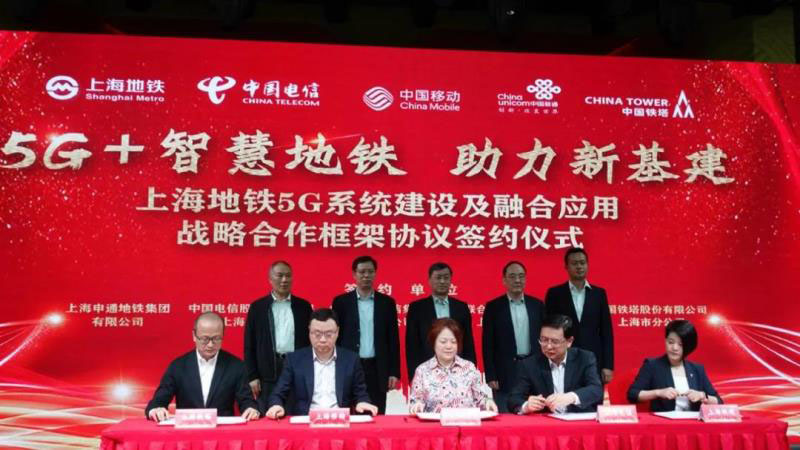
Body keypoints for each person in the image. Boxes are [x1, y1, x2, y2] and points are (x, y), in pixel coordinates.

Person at [264, 308, 378, 418]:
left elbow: (360, 393)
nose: (323, 339)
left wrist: (362, 402)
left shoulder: (351, 359)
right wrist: (276, 405)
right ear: (309, 331)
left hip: (339, 420)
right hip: (306, 421)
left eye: (328, 334)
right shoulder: (294, 360)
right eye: (317, 334)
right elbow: (278, 393)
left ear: (337, 332)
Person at [145, 312, 260, 421]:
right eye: (205, 339)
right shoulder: (178, 366)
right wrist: (156, 409)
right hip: (187, 430)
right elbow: (158, 402)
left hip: (222, 431)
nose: (210, 345)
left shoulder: (236, 366)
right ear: (194, 336)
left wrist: (250, 409)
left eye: (216, 338)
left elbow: (247, 401)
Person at [332, 255, 400, 414]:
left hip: (377, 367)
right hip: (349, 366)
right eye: (362, 272)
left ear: (375, 273)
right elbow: (335, 338)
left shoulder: (386, 303)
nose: (366, 275)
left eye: (370, 271)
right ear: (354, 274)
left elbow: (393, 339)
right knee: (349, 413)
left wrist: (393, 372)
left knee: (376, 412)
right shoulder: (341, 302)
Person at [243, 260, 313, 412]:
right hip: (268, 372)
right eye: (280, 275)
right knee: (269, 413)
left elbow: (311, 342)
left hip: (297, 368)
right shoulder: (258, 307)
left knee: (297, 414)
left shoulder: (303, 307)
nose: (284, 280)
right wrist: (252, 376)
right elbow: (249, 344)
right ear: (270, 279)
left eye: (288, 275)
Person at [545, 247, 614, 384]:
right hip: (563, 358)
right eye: (574, 263)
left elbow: (606, 332)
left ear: (587, 265)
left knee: (593, 395)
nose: (579, 267)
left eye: (582, 263)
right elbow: (549, 330)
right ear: (566, 266)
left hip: (594, 359)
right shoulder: (555, 294)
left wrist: (608, 365)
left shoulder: (599, 294)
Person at [508, 314, 603, 414]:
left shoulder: (584, 358)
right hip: (546, 421)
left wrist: (570, 397)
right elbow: (513, 398)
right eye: (544, 340)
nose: (548, 346)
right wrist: (526, 405)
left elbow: (596, 389)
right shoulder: (529, 364)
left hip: (578, 419)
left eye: (555, 341)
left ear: (569, 341)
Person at [482, 261, 545, 412]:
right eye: (512, 276)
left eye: (521, 276)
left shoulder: (537, 305)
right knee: (505, 414)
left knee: (535, 413)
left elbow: (545, 339)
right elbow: (487, 343)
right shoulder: (493, 307)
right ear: (504, 280)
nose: (517, 280)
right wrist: (491, 375)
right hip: (505, 371)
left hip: (533, 367)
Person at [627, 319, 722, 411]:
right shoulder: (652, 365)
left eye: (680, 344)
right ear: (665, 341)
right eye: (671, 342)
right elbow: (632, 394)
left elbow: (719, 401)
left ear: (688, 346)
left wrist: (702, 396)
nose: (674, 348)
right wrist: (658, 392)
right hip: (663, 420)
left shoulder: (697, 369)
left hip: (693, 420)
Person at [409, 318, 497, 414]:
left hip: (466, 422)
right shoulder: (422, 371)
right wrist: (416, 405)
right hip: (434, 423)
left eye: (453, 342)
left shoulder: (469, 368)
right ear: (433, 343)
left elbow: (481, 398)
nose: (449, 346)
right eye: (443, 342)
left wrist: (488, 402)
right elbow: (415, 401)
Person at [406, 262, 476, 381]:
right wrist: (414, 376)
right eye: (438, 278)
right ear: (429, 280)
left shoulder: (461, 307)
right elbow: (412, 346)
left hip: (458, 371)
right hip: (427, 371)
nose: (442, 281)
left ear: (450, 280)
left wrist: (471, 371)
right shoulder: (417, 308)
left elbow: (468, 342)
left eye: (446, 277)